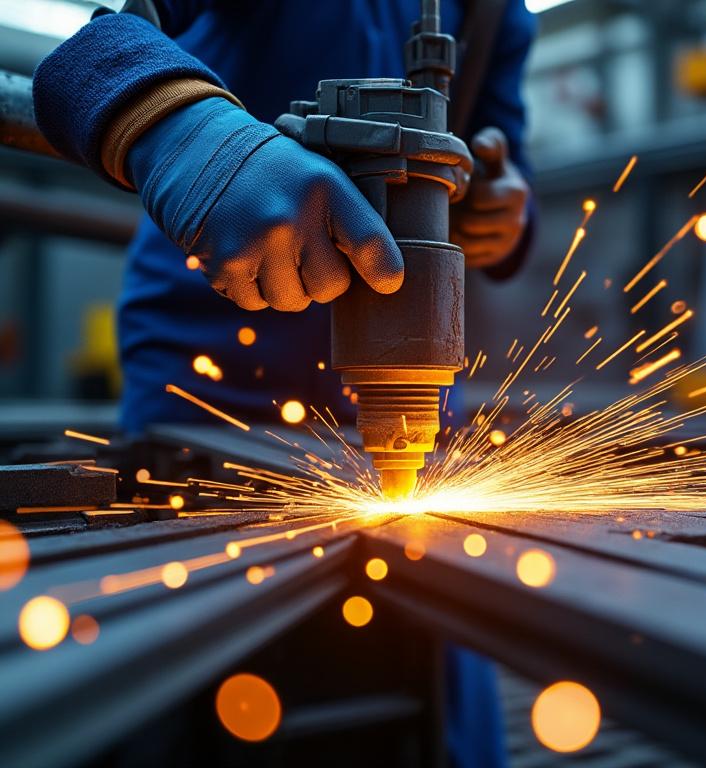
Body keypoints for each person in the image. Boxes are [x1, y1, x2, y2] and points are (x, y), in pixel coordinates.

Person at [32, 1, 536, 766]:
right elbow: (85, 57)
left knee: (432, 682)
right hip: (213, 400)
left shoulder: (494, 10)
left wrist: (503, 207)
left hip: (415, 409)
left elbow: (496, 141)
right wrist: (184, 129)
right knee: (191, 689)